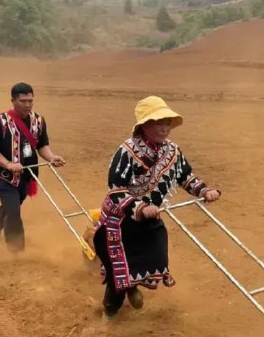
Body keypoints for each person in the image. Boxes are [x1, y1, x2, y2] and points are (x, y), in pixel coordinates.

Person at [91, 96, 221, 322]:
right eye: (158, 122)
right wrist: (140, 207)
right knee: (118, 272)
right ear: (144, 125)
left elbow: (185, 176)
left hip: (150, 217)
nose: (164, 128)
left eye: (167, 123)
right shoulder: (127, 151)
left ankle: (132, 287)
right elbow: (115, 189)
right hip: (120, 221)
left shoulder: (173, 151)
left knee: (155, 257)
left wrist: (204, 190)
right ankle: (109, 314)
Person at [0, 82, 64, 251]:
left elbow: (42, 145)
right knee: (13, 212)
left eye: (30, 100)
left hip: (27, 175)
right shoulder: (0, 122)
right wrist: (8, 164)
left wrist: (51, 157)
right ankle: (16, 250)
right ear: (13, 101)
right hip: (3, 176)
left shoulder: (39, 121)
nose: (27, 105)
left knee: (10, 205)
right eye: (23, 101)